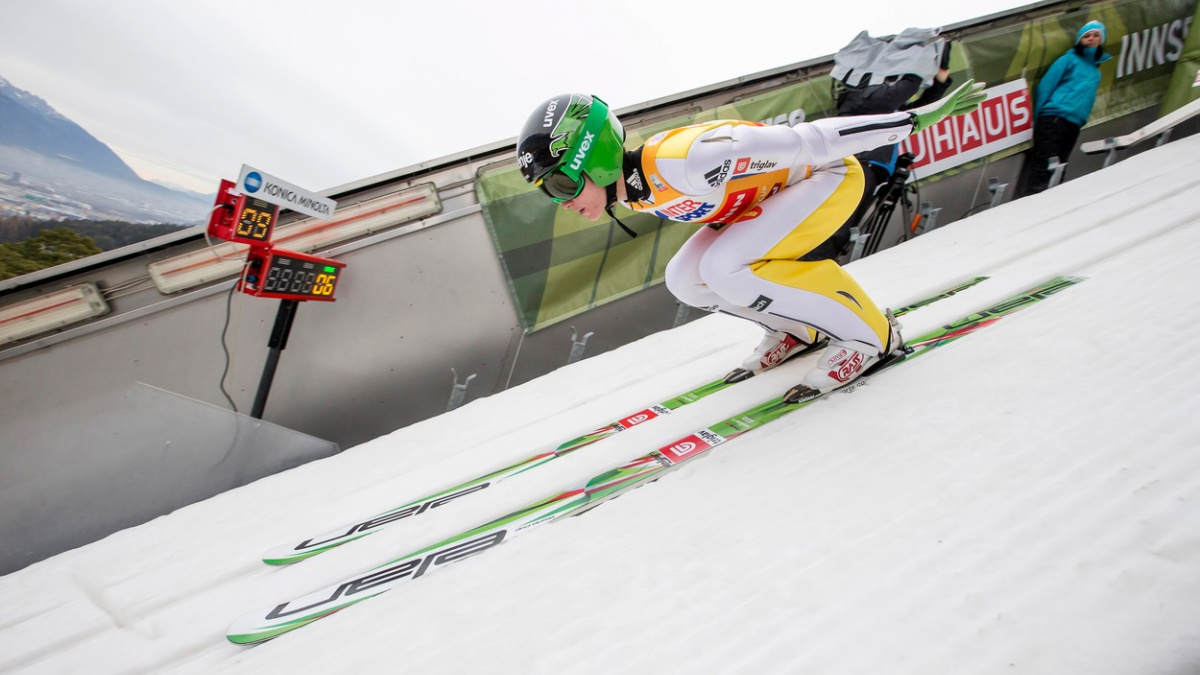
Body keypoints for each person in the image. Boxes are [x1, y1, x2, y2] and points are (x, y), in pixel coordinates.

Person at [515, 83, 985, 398]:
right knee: (685, 279)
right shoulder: (633, 189)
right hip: (780, 196)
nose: (563, 202)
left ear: (591, 158)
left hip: (830, 178)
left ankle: (872, 337)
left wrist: (915, 119)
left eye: (560, 185)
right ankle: (801, 330)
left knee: (726, 267)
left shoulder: (685, 160)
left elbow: (811, 141)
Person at [810, 32, 955, 260]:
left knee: (849, 219)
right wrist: (918, 62)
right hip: (859, 164)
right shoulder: (859, 94)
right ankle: (818, 260)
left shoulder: (880, 98)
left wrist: (941, 76)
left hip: (873, 166)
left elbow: (922, 107)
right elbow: (900, 93)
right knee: (842, 218)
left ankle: (824, 259)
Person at [1019, 20, 1112, 196]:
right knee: (1044, 163)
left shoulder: (1096, 71)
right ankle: (1032, 201)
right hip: (1054, 118)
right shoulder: (1069, 59)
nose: (1091, 38)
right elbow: (1045, 87)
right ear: (1079, 40)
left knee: (1060, 165)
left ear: (1101, 39)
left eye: (1095, 35)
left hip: (1073, 124)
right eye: (1086, 35)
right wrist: (1038, 120)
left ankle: (1053, 201)